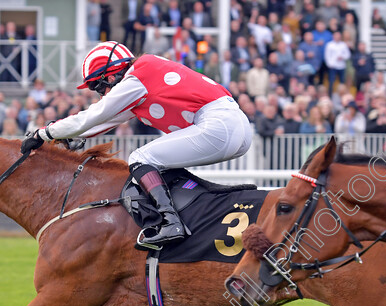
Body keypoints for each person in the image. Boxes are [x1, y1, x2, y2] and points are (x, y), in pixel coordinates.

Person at [29, 41, 252, 247]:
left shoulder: (135, 79)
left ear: (112, 75)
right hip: (231, 124)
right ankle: (190, 210)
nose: (101, 94)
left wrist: (45, 133)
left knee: (140, 158)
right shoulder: (142, 77)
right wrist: (69, 136)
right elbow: (108, 120)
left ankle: (170, 222)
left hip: (220, 125)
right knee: (158, 164)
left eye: (99, 86)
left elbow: (96, 114)